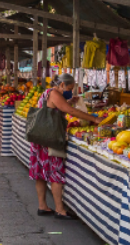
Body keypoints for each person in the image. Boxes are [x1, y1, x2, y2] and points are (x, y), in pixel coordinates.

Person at [30, 73, 100, 219]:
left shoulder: (48, 92)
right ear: (62, 85)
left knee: (40, 174)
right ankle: (60, 210)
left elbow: (58, 107)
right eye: (70, 88)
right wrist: (94, 119)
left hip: (40, 137)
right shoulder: (55, 93)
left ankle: (42, 206)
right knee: (56, 173)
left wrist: (69, 100)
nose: (71, 90)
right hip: (51, 138)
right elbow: (70, 111)